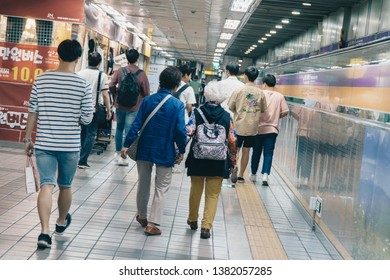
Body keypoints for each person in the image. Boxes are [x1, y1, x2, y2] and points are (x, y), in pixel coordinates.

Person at [23, 39, 93, 249]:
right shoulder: (83, 85)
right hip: (70, 145)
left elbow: (33, 110)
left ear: (58, 54)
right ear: (78, 57)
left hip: (44, 142)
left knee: (47, 184)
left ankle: (44, 233)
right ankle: (61, 222)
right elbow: (87, 119)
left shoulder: (42, 79)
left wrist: (28, 138)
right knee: (65, 185)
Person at [120, 66, 187, 236]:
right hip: (165, 150)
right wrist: (182, 150)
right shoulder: (177, 104)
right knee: (162, 186)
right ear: (177, 85)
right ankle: (152, 223)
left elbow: (136, 124)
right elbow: (180, 130)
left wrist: (126, 144)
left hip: (145, 147)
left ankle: (142, 216)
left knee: (143, 182)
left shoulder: (148, 100)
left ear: (160, 81)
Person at [185, 81, 237, 239]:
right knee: (213, 195)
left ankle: (193, 219)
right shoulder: (227, 117)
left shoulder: (196, 112)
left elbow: (188, 132)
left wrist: (179, 151)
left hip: (198, 158)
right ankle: (206, 227)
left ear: (206, 95)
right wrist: (233, 160)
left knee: (195, 190)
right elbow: (232, 140)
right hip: (218, 161)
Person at [109, 49, 150, 166]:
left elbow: (111, 85)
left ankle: (117, 153)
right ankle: (124, 156)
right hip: (134, 107)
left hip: (120, 105)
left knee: (119, 129)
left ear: (126, 58)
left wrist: (116, 94)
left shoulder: (120, 71)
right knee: (128, 131)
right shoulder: (141, 74)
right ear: (137, 59)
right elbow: (147, 93)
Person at [228, 66, 267, 183]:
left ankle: (234, 168)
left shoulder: (238, 91)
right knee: (246, 151)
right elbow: (264, 109)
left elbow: (230, 106)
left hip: (239, 125)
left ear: (245, 76)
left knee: (236, 150)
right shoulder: (260, 93)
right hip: (252, 127)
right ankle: (241, 176)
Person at [250, 74, 289, 185]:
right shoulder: (280, 96)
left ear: (265, 83)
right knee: (268, 153)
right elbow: (286, 111)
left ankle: (253, 174)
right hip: (272, 130)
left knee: (256, 152)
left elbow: (251, 107)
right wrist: (277, 116)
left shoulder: (259, 94)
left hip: (258, 129)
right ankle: (265, 175)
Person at [77, 52, 112, 169]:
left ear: (87, 60)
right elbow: (105, 95)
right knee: (91, 134)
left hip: (79, 108)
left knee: (81, 133)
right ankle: (82, 160)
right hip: (94, 109)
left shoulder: (79, 73)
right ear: (99, 62)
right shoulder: (102, 75)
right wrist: (109, 109)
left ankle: (77, 157)